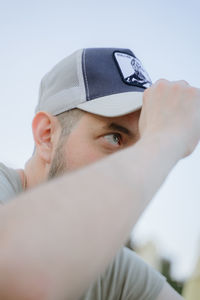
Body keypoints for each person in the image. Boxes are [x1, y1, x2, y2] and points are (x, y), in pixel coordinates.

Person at [0, 47, 199, 300]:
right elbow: (16, 277)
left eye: (140, 144)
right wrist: (165, 139)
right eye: (115, 137)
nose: (131, 162)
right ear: (47, 136)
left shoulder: (114, 270)